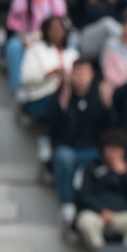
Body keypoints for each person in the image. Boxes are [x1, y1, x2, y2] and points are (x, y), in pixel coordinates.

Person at [49, 57, 110, 221]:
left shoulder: (99, 97)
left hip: (93, 149)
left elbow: (110, 128)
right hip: (69, 148)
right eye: (76, 73)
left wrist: (107, 105)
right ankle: (67, 203)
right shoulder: (61, 97)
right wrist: (64, 102)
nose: (80, 77)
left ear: (92, 75)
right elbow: (55, 130)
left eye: (84, 73)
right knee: (63, 156)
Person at [73, 130, 127, 251]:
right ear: (103, 149)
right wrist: (100, 210)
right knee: (84, 221)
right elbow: (83, 195)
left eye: (118, 149)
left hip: (122, 215)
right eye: (111, 148)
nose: (114, 153)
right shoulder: (91, 167)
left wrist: (126, 175)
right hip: (97, 214)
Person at [3, 0, 68, 97]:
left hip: (50, 38)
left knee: (71, 45)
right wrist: (27, 39)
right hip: (26, 39)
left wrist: (42, 37)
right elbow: (14, 24)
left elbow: (61, 24)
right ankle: (18, 89)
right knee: (13, 46)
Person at [19, 16, 78, 117]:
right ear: (46, 31)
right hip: (41, 97)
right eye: (54, 29)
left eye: (61, 29)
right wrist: (49, 73)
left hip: (68, 96)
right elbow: (25, 78)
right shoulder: (35, 50)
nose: (57, 32)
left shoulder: (72, 53)